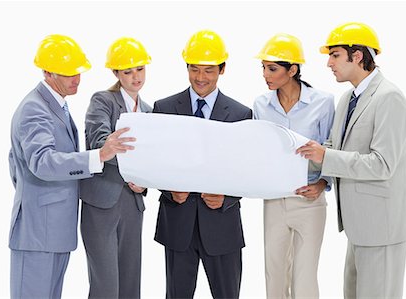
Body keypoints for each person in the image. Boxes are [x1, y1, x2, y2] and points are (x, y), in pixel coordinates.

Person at [8, 34, 135, 299]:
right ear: (47, 72)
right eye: (67, 73)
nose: (76, 78)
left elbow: (15, 160)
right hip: (37, 234)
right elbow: (41, 161)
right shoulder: (35, 108)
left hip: (53, 230)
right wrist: (97, 156)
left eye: (77, 71)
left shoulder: (57, 106)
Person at [296, 22, 406, 298]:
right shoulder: (347, 99)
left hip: (382, 229)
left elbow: (382, 164)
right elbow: (331, 148)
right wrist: (293, 152)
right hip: (359, 227)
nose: (328, 63)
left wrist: (325, 156)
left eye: (335, 55)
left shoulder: (389, 98)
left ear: (358, 56)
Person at [152, 29, 252, 298]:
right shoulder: (163, 108)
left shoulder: (241, 114)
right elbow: (154, 162)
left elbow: (247, 169)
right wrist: (168, 189)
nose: (200, 77)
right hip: (178, 223)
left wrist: (227, 197)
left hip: (221, 225)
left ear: (222, 70)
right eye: (194, 69)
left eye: (208, 70)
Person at [253, 33, 335, 299]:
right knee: (274, 275)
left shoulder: (322, 103)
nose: (265, 74)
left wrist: (323, 184)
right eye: (263, 68)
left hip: (310, 201)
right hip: (275, 200)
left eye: (272, 68)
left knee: (304, 278)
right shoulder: (261, 105)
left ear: (293, 70)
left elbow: (331, 149)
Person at [79, 37, 152, 299]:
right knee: (106, 286)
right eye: (128, 71)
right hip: (102, 202)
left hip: (132, 202)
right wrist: (132, 166)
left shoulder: (148, 110)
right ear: (116, 73)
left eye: (140, 69)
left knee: (131, 284)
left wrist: (144, 181)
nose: (135, 77)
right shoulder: (103, 101)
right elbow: (99, 142)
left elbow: (153, 159)